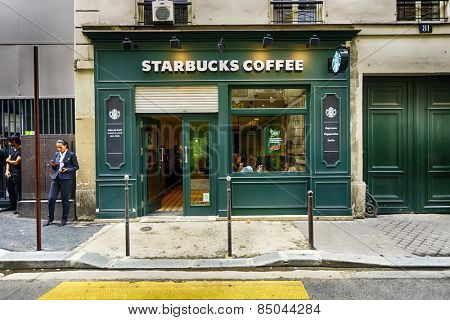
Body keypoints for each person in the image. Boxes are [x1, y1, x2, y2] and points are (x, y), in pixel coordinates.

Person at [44, 140, 79, 226]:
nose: (59, 149)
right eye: (57, 147)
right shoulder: (56, 154)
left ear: (65, 146)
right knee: (51, 198)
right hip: (56, 178)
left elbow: (76, 167)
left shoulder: (71, 155)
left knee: (65, 200)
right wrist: (54, 165)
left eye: (60, 147)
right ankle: (50, 218)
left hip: (66, 179)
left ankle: (64, 219)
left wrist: (68, 169)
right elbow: (55, 168)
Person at [1, 136, 22, 214]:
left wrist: (8, 161)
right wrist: (7, 170)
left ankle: (18, 207)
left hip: (17, 173)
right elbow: (8, 161)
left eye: (10, 142)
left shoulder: (21, 150)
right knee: (10, 189)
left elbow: (17, 162)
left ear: (14, 142)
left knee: (17, 190)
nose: (9, 144)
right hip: (10, 173)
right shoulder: (12, 150)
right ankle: (12, 206)